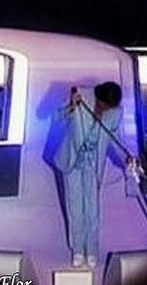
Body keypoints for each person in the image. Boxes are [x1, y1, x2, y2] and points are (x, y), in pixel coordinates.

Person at [53, 81, 130, 269]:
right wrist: (71, 106)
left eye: (108, 108)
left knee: (92, 210)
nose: (103, 111)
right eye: (102, 106)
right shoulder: (80, 98)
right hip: (72, 162)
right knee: (75, 207)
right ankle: (78, 249)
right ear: (98, 97)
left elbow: (114, 139)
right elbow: (56, 118)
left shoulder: (114, 113)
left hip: (93, 166)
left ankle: (92, 250)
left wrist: (127, 157)